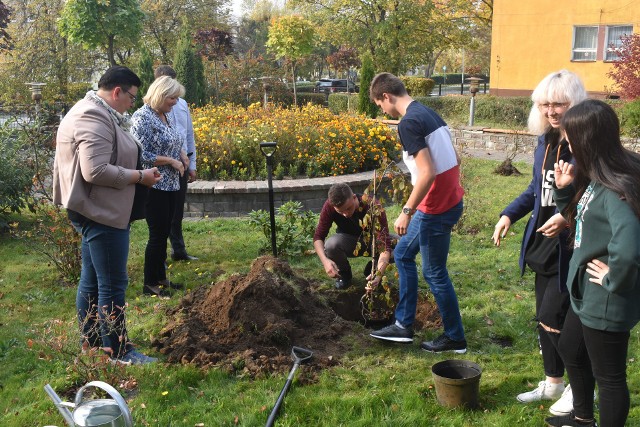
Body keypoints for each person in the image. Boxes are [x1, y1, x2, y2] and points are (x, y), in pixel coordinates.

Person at [491, 70, 587, 412]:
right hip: (543, 245)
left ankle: (579, 387)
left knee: (556, 316)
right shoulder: (545, 142)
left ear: (575, 103)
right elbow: (536, 189)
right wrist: (508, 214)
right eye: (544, 103)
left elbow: (598, 193)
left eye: (558, 103)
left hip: (574, 248)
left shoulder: (585, 144)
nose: (551, 110)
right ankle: (552, 383)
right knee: (543, 317)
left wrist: (568, 215)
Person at [53, 66, 162, 365]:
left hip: (94, 210)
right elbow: (95, 170)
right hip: (101, 213)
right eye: (131, 96)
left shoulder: (96, 111)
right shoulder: (94, 116)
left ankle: (94, 344)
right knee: (113, 283)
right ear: (117, 91)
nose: (133, 103)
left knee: (92, 279)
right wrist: (140, 176)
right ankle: (120, 351)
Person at [545, 99, 640, 427]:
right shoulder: (600, 178)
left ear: (587, 141)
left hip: (606, 298)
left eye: (570, 139)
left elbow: (627, 248)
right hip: (586, 293)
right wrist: (564, 191)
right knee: (571, 348)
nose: (566, 145)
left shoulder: (617, 190)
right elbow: (581, 219)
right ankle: (582, 418)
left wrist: (616, 278)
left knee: (610, 378)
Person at [368, 73, 466, 351]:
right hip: (445, 201)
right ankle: (403, 325)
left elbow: (428, 171)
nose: (382, 110)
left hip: (434, 207)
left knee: (435, 272)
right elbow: (454, 157)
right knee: (402, 254)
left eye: (379, 104)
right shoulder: (427, 112)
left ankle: (455, 337)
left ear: (386, 97)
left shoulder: (408, 122)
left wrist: (406, 211)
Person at [131, 76, 187, 297]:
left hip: (172, 183)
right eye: (172, 98)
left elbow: (174, 140)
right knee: (157, 234)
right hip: (154, 184)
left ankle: (161, 277)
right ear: (160, 95)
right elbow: (141, 154)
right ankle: (149, 283)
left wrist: (182, 155)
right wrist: (171, 161)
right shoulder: (142, 117)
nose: (175, 102)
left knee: (165, 232)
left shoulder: (165, 114)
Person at [153, 65, 198, 262]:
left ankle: (178, 250)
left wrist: (192, 164)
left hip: (182, 161)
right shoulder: (150, 110)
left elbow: (188, 134)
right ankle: (158, 254)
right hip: (162, 166)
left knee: (177, 209)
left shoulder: (181, 104)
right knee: (162, 214)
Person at [313, 183, 394, 289]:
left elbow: (384, 245)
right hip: (348, 242)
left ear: (354, 197)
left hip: (373, 242)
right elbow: (318, 237)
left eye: (348, 208)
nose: (345, 214)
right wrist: (325, 261)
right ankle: (345, 274)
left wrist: (379, 274)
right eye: (340, 212)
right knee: (331, 245)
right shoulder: (330, 206)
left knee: (402, 246)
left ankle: (373, 268)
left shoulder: (373, 206)